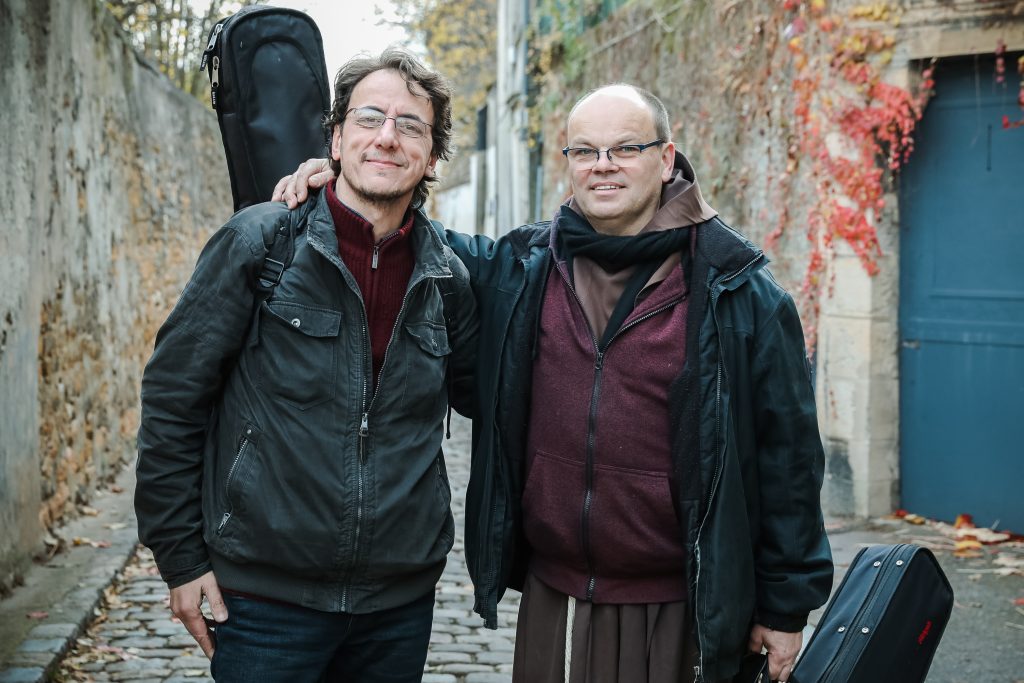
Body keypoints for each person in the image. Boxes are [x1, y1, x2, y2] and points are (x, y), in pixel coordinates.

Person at [276, 83, 833, 683]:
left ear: (667, 158)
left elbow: (790, 460)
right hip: (554, 598)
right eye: (584, 151)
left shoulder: (739, 292)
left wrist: (784, 605)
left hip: (681, 602)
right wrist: (340, 183)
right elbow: (407, 233)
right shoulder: (521, 267)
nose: (603, 166)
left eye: (625, 148)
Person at [135, 48, 478, 682]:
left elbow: (493, 395)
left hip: (396, 608)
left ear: (432, 157)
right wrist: (180, 560)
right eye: (369, 117)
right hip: (264, 604)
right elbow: (173, 399)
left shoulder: (447, 276)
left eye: (411, 125)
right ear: (337, 138)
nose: (386, 136)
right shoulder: (260, 242)